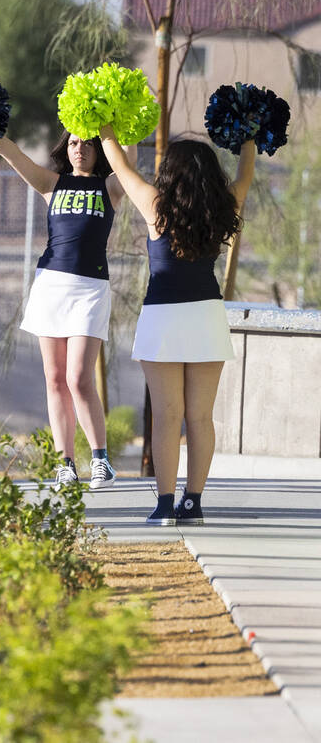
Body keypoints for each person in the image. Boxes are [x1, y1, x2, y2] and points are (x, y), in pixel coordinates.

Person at [98, 126, 253, 526]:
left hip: (163, 317)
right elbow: (245, 176)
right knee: (200, 418)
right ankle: (193, 503)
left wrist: (104, 123)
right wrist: (250, 136)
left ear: (171, 172)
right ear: (209, 174)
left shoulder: (155, 204)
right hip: (206, 315)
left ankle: (165, 505)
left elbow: (119, 163)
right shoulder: (223, 207)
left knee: (166, 416)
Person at [0, 132, 132, 490]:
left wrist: (113, 127)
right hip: (50, 285)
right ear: (65, 149)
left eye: (87, 143)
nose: (79, 149)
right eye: (73, 143)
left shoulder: (111, 187)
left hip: (90, 289)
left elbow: (126, 158)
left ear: (98, 148)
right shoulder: (52, 183)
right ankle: (65, 463)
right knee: (55, 379)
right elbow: (13, 154)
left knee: (78, 379)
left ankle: (101, 460)